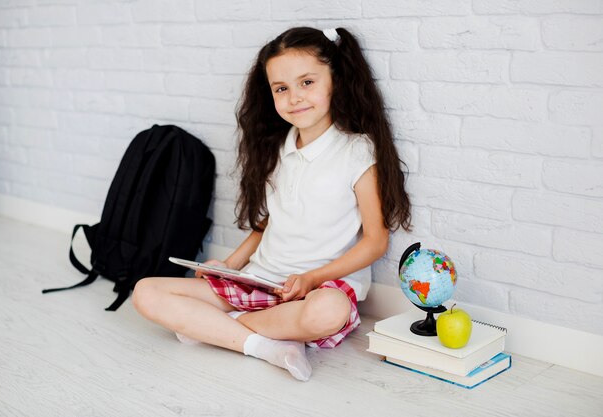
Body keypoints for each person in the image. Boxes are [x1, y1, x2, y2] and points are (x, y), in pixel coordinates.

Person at [132, 27, 412, 381]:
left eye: (307, 82)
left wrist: (312, 278)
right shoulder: (280, 147)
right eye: (282, 89)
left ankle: (222, 328)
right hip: (261, 281)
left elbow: (376, 241)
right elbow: (269, 222)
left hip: (319, 289)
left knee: (327, 313)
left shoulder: (357, 150)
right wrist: (229, 265)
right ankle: (269, 344)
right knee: (146, 292)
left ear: (335, 81)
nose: (295, 97)